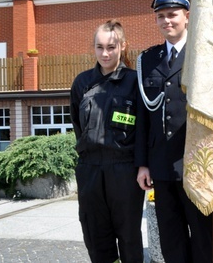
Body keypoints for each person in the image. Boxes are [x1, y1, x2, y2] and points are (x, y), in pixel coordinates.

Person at [135, 0, 213, 263]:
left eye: (172, 15)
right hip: (162, 166)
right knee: (171, 238)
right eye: (161, 16)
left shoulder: (205, 53)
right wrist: (143, 164)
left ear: (187, 17)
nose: (167, 21)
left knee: (204, 239)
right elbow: (144, 117)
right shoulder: (148, 59)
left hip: (198, 164)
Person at [70, 19, 144, 263]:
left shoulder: (135, 81)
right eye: (99, 47)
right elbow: (78, 126)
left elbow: (144, 128)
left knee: (129, 236)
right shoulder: (82, 83)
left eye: (111, 47)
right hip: (90, 168)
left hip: (123, 169)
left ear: (123, 46)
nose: (105, 53)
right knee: (95, 235)